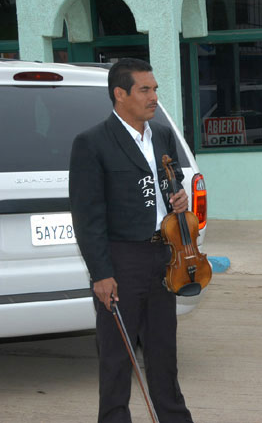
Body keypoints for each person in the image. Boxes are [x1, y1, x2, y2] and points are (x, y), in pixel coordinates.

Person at [69, 58, 193, 422]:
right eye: (145, 90)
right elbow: (87, 217)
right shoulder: (92, 143)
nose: (154, 97)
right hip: (121, 259)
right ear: (119, 94)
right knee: (116, 358)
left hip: (164, 255)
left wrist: (179, 197)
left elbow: (172, 184)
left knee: (163, 354)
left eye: (154, 89)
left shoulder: (163, 136)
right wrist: (101, 273)